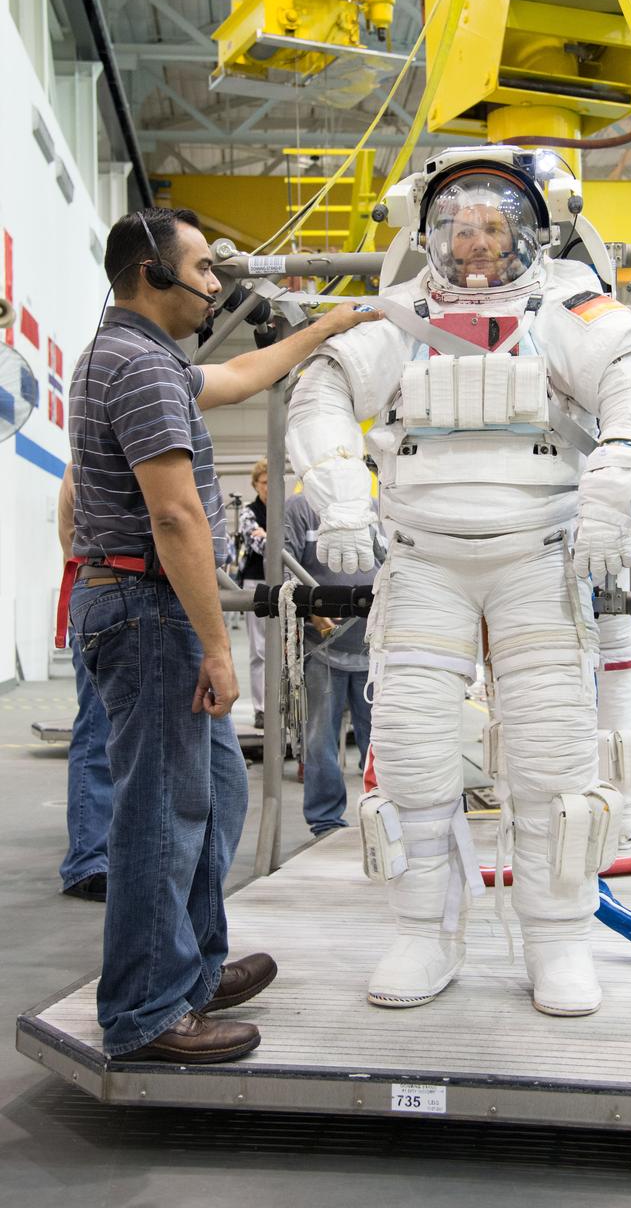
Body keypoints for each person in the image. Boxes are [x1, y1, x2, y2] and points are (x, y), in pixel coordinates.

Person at [287, 146, 631, 1016]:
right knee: (414, 754)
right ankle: (423, 932)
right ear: (430, 232)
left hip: (538, 557)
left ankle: (557, 942)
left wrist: (616, 479)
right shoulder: (399, 316)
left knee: (550, 757)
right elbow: (319, 393)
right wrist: (342, 500)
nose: (473, 242)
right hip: (424, 560)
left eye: (491, 224)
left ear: (529, 230)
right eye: (457, 225)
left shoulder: (568, 306)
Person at [65, 205, 380, 1063]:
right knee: (160, 814)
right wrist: (213, 645)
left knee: (213, 794)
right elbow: (174, 517)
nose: (217, 283)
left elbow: (241, 376)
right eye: (203, 269)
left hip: (142, 605)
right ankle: (147, 1011)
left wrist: (330, 326)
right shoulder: (136, 367)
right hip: (148, 611)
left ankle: (191, 968)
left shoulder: (146, 359)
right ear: (147, 275)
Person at [284, 490, 374, 837]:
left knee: (381, 738)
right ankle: (326, 821)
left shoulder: (371, 506)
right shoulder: (300, 509)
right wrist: (316, 614)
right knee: (320, 737)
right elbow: (282, 564)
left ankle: (383, 811)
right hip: (322, 648)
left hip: (372, 648)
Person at [57, 469, 113, 902]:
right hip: (105, 595)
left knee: (105, 737)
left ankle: (100, 853)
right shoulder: (86, 460)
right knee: (97, 734)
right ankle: (88, 860)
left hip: (101, 595)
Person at [239, 458, 268, 729]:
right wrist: (274, 539)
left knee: (283, 651)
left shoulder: (287, 510)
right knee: (259, 650)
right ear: (255, 484)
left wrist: (268, 536)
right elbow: (258, 545)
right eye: (264, 482)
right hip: (255, 584)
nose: (268, 487)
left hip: (283, 584)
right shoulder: (248, 513)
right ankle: (261, 709)